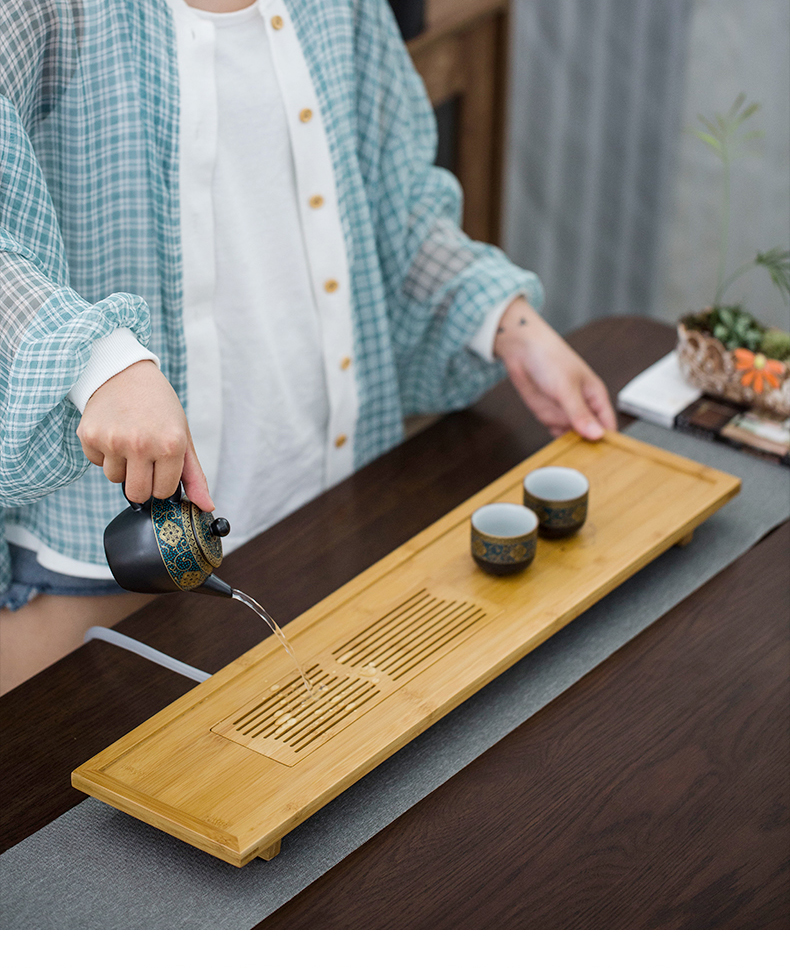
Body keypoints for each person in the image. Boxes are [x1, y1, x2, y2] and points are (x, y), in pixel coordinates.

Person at [0, 0, 616, 694]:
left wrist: (508, 324)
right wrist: (100, 362)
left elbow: (397, 208)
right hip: (119, 578)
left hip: (327, 512)